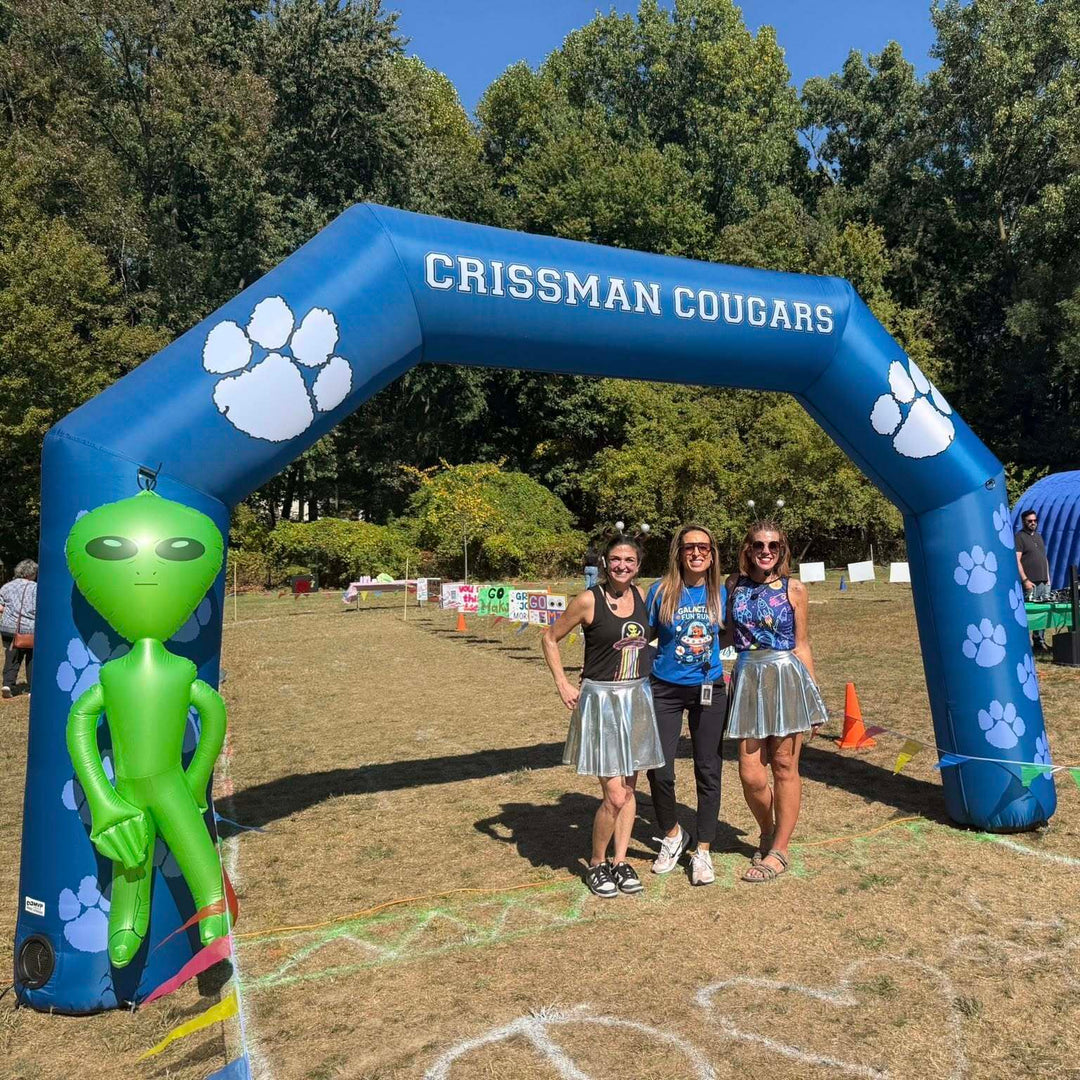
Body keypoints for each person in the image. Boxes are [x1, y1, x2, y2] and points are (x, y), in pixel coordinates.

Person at [542, 532, 664, 897]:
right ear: (605, 563)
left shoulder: (643, 597)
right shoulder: (587, 600)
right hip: (601, 701)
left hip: (637, 697)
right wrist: (562, 683)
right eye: (616, 560)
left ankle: (620, 860)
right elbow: (549, 638)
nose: (622, 566)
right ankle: (597, 862)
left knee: (629, 789)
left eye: (629, 560)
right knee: (614, 795)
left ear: (638, 565)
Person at [724, 522, 826, 883]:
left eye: (774, 545)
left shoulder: (794, 589)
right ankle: (767, 830)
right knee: (750, 772)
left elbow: (802, 644)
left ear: (782, 550)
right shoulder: (733, 585)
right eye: (758, 545)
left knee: (784, 764)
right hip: (748, 675)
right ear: (747, 549)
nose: (766, 551)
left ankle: (779, 849)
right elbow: (726, 632)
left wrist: (813, 698)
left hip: (785, 676)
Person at [645, 524, 728, 886]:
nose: (697, 553)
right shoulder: (660, 592)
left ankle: (704, 851)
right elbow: (639, 636)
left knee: (707, 769)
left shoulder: (721, 593)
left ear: (712, 555)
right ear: (678, 551)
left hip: (709, 690)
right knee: (659, 768)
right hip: (664, 689)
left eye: (704, 548)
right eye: (690, 547)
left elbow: (727, 633)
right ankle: (674, 835)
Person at [0, 559, 37, 699]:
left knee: (11, 656)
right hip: (30, 629)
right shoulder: (36, 588)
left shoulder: (7, 587)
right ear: (32, 573)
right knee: (31, 658)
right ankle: (32, 688)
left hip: (9, 628)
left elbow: (0, 606)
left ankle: (8, 684)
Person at [1015, 509, 1052, 652]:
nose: (1033, 523)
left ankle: (1039, 642)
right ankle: (1025, 644)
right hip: (1030, 582)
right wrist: (1025, 580)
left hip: (1043, 581)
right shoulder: (1019, 537)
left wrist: (1048, 578)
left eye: (1035, 521)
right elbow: (1017, 560)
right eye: (1030, 521)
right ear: (1023, 521)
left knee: (1042, 614)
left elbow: (1044, 558)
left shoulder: (1038, 537)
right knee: (1031, 615)